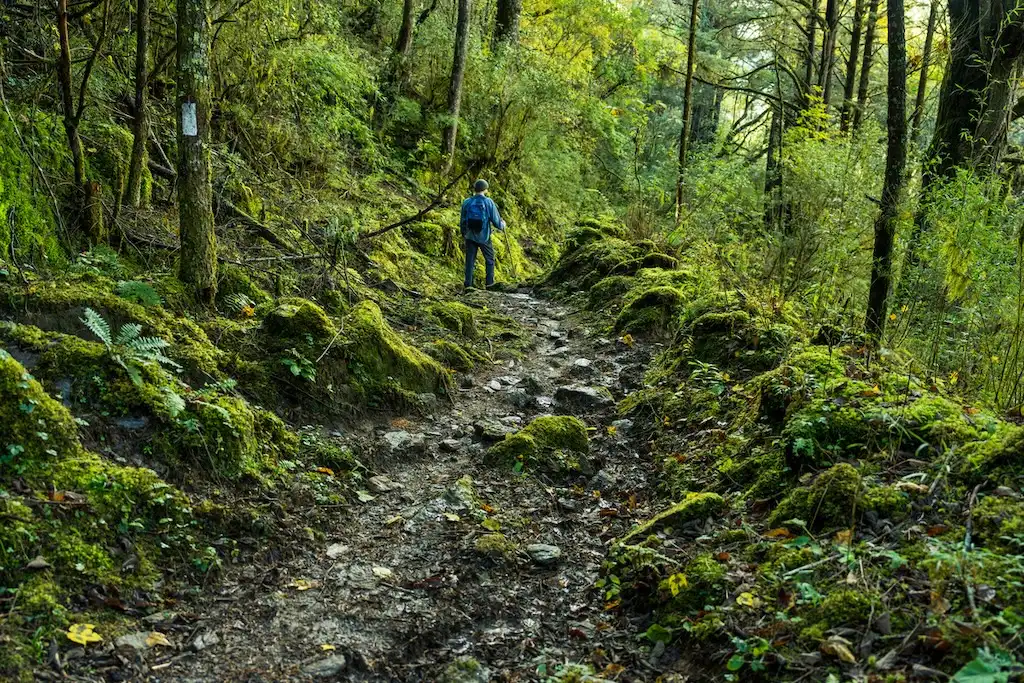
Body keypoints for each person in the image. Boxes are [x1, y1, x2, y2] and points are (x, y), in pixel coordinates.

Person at [460, 179, 506, 290]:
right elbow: (496, 221)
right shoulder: (488, 202)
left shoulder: (467, 202)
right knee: (490, 259)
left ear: (475, 189)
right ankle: (489, 285)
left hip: (470, 236)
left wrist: (464, 233)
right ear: (485, 189)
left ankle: (468, 285)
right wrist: (502, 225)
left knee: (470, 260)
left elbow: (462, 221)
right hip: (484, 236)